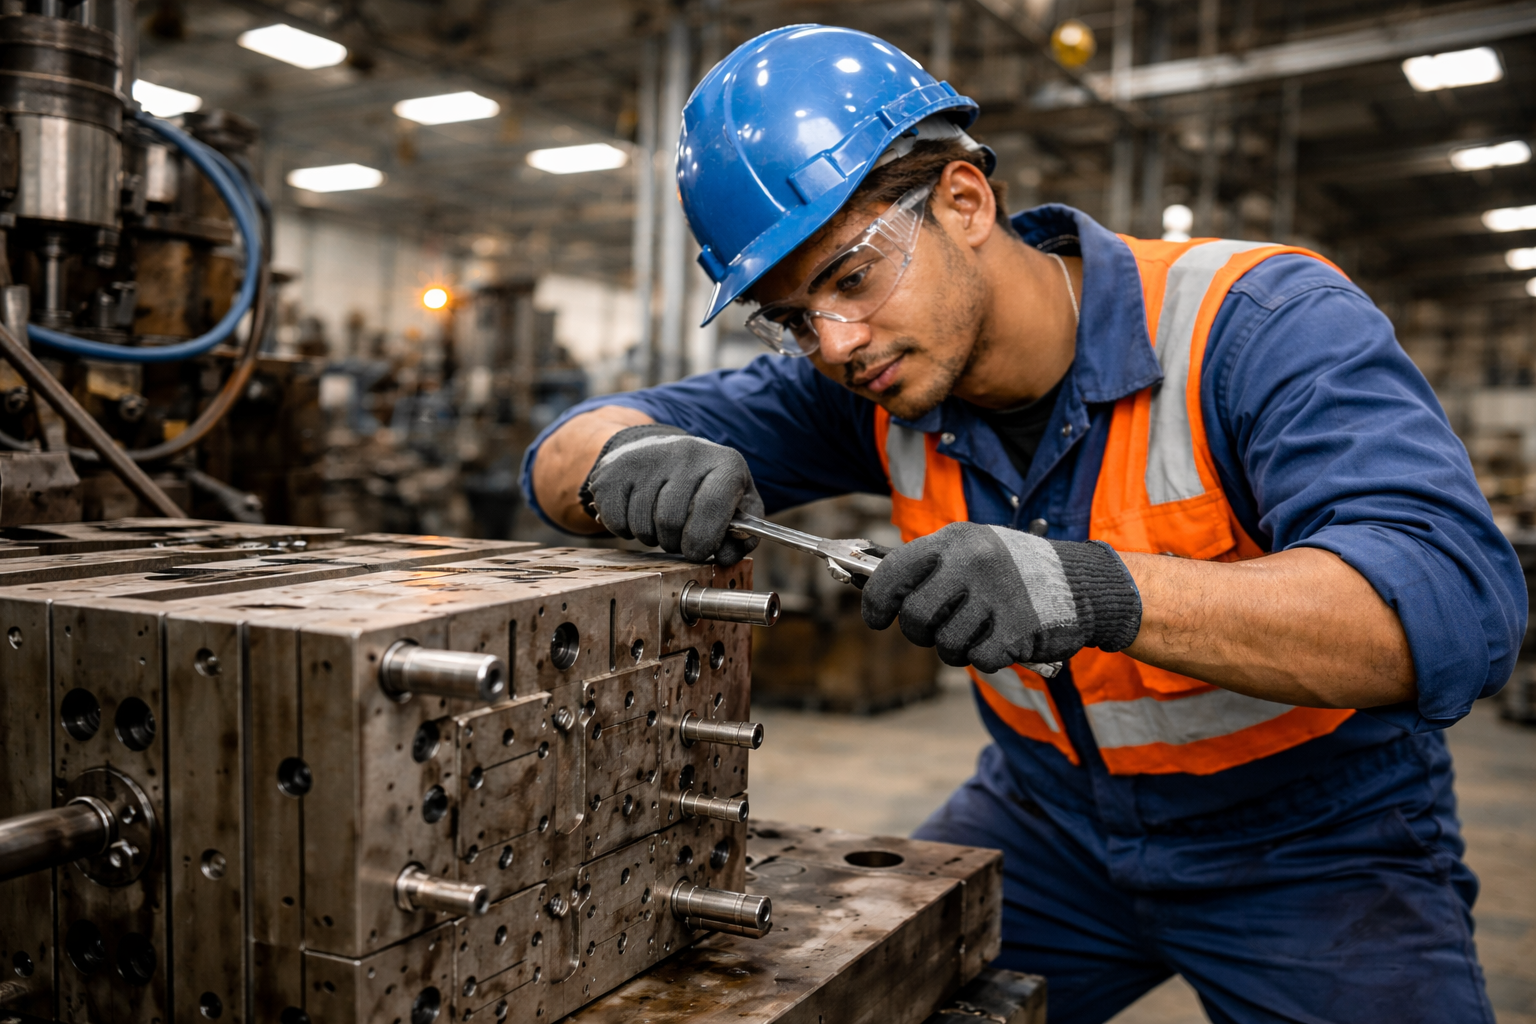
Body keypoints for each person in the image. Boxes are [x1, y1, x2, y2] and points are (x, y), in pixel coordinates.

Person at [523, 24, 1524, 1024]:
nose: (832, 341)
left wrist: (1090, 588)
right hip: (1047, 821)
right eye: (791, 318)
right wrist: (624, 460)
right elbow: (561, 450)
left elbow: (1449, 609)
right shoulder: (870, 384)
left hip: (1315, 839)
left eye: (851, 276)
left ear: (964, 200)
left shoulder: (1256, 324)